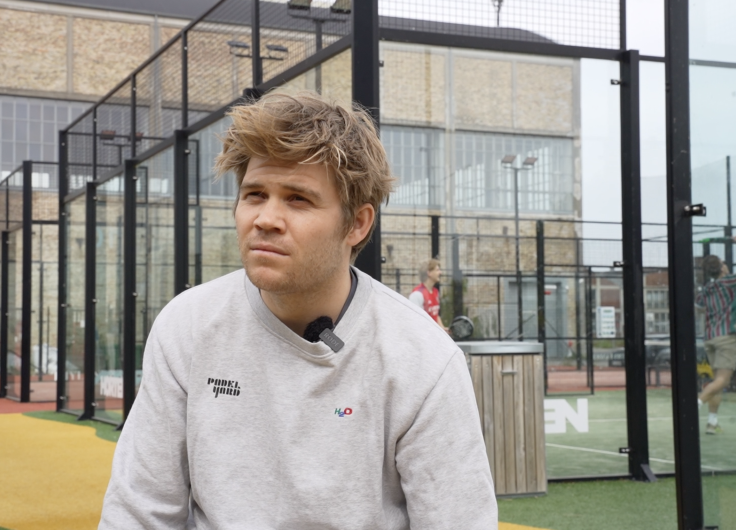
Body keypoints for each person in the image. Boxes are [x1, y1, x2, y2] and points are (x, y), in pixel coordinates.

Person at [99, 92, 497, 528]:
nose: (266, 219)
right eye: (255, 194)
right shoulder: (188, 326)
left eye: (298, 199)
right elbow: (139, 510)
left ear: (357, 223)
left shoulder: (424, 359)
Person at [695, 235, 736, 435]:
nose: (726, 264)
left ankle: (712, 423)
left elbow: (699, 308)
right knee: (722, 380)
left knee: (717, 382)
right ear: (722, 269)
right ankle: (695, 405)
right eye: (723, 263)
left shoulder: (707, 289)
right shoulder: (730, 281)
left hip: (710, 339)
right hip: (726, 338)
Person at [409, 258, 450, 333]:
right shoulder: (417, 294)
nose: (440, 272)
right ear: (429, 273)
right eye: (437, 270)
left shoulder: (435, 292)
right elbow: (414, 320)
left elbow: (435, 315)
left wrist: (443, 330)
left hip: (433, 336)